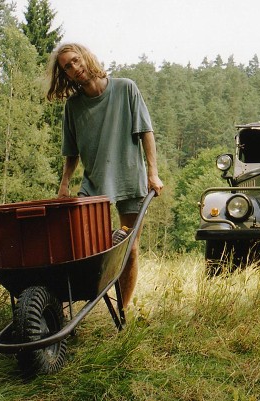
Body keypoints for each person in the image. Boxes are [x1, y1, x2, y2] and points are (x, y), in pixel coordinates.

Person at [46, 43, 163, 309]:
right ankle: (86, 300)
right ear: (64, 75)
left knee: (130, 249)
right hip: (94, 184)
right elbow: (71, 152)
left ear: (86, 57)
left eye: (76, 61)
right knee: (85, 248)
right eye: (67, 67)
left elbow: (146, 132)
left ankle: (123, 309)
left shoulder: (125, 88)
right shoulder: (73, 107)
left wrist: (153, 173)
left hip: (130, 178)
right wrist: (64, 185)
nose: (75, 69)